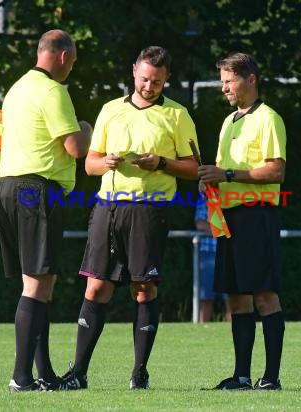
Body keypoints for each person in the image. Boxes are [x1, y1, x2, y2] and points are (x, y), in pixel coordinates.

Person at [52, 46, 199, 391]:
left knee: (143, 288)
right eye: (145, 78)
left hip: (150, 210)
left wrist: (160, 163)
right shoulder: (110, 110)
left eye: (158, 82)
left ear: (167, 80)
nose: (150, 86)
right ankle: (78, 374)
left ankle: (140, 373)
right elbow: (89, 164)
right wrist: (108, 163)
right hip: (109, 207)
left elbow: (194, 168)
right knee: (96, 285)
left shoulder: (177, 115)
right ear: (134, 71)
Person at [0, 29, 92, 393]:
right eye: (74, 60)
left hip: (7, 186)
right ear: (64, 57)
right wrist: (86, 126)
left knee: (39, 285)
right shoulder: (54, 91)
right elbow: (76, 147)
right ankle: (21, 377)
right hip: (36, 190)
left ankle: (44, 374)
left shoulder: (17, 89)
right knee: (37, 285)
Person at [198, 52, 287, 391]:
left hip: (256, 216)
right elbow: (222, 173)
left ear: (251, 79)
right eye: (222, 82)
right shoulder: (229, 122)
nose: (224, 88)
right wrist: (211, 179)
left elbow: (276, 171)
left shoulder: (268, 118)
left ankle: (272, 377)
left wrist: (229, 173)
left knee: (264, 294)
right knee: (236, 297)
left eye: (229, 81)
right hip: (229, 218)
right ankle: (241, 376)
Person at [194, 202, 231, 322]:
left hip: (229, 253)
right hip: (207, 253)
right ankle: (202, 331)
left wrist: (214, 227)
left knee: (231, 297)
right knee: (206, 297)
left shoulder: (232, 197)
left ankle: (234, 333)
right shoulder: (204, 200)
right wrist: (224, 228)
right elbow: (200, 224)